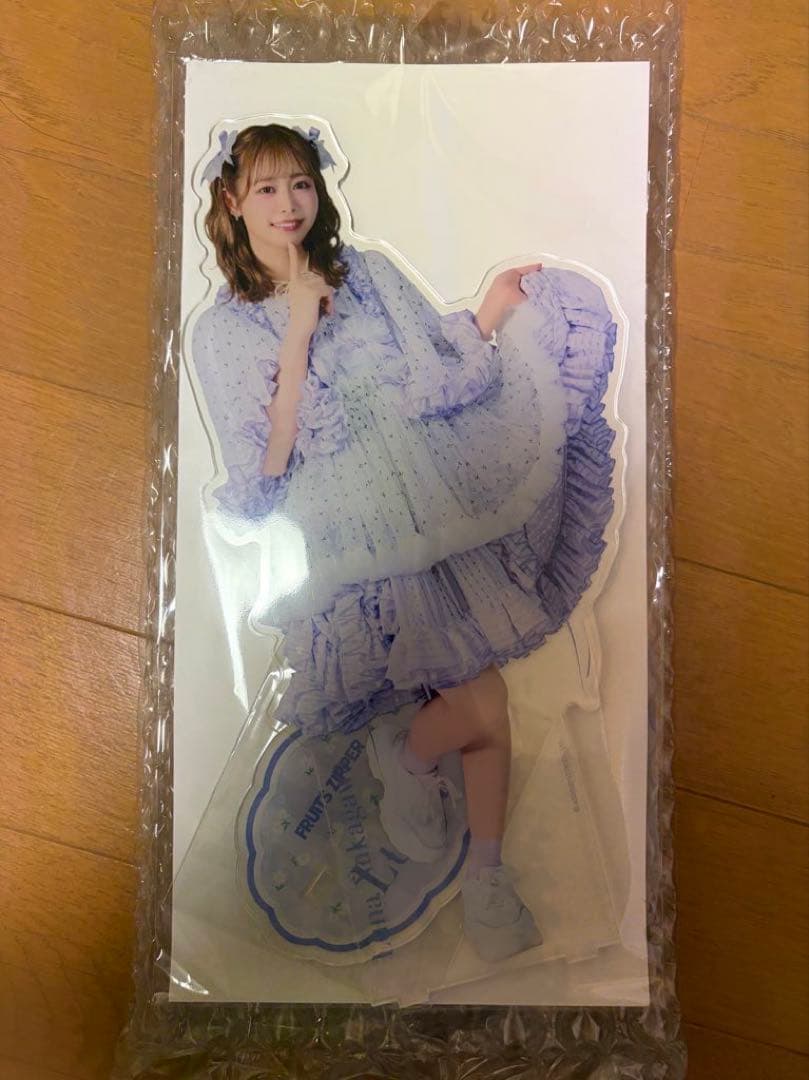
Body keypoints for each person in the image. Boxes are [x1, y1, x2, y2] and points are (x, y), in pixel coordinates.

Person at [192, 122, 617, 963]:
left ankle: (480, 867)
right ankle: (418, 769)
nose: (288, 204)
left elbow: (440, 376)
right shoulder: (222, 332)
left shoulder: (369, 274)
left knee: (486, 696)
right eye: (267, 189)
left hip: (439, 502)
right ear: (232, 202)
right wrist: (298, 328)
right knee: (483, 702)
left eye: (300, 183)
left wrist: (491, 312)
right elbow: (264, 466)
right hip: (354, 539)